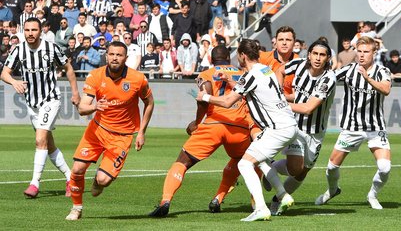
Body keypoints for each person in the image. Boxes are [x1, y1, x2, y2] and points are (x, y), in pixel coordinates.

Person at [196, 39, 298, 221]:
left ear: (243, 55)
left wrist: (206, 96)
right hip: (288, 124)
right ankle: (283, 195)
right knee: (260, 161)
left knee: (244, 164)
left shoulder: (251, 75)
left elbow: (228, 102)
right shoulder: (266, 70)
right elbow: (253, 89)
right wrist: (230, 81)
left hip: (277, 129)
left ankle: (260, 208)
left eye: (238, 55)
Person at [149, 45, 253, 217]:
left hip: (214, 124)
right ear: (230, 57)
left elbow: (203, 101)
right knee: (242, 160)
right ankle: (219, 198)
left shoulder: (206, 74)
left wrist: (197, 123)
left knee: (182, 161)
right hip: (240, 127)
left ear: (211, 59)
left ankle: (165, 200)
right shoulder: (244, 74)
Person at [65, 41, 155, 220]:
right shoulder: (95, 76)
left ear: (126, 58)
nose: (115, 58)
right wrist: (95, 106)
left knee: (103, 180)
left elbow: (149, 102)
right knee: (76, 169)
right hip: (97, 131)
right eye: (112, 54)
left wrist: (142, 132)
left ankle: (98, 181)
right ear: (106, 56)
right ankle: (76, 208)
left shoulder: (137, 79)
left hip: (121, 137)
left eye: (119, 55)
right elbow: (83, 108)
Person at [0, 17, 80, 198]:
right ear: (23, 31)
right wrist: (14, 81)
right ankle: (71, 178)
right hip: (32, 104)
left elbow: (68, 68)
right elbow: (4, 73)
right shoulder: (19, 50)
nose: (30, 33)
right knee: (48, 145)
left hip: (50, 100)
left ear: (40, 31)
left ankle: (34, 184)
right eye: (27, 30)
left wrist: (75, 93)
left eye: (34, 30)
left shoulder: (51, 48)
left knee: (39, 139)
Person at [315, 36, 392, 210]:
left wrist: (368, 78)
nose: (362, 55)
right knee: (331, 168)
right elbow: (329, 79)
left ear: (374, 52)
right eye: (360, 51)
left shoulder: (382, 71)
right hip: (351, 128)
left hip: (375, 128)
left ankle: (372, 195)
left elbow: (386, 89)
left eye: (366, 51)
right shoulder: (349, 69)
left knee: (385, 167)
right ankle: (333, 190)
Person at [267, 40, 336, 216]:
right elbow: (280, 70)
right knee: (295, 168)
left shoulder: (328, 79)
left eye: (322, 55)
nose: (318, 58)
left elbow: (308, 108)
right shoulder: (298, 64)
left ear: (328, 58)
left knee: (303, 172)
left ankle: (271, 169)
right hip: (295, 126)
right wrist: (278, 92)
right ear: (309, 54)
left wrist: (279, 103)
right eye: (315, 54)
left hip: (316, 132)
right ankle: (279, 198)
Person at [259, 26, 299, 96]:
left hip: (288, 104)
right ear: (276, 42)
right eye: (280, 40)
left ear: (294, 42)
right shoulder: (262, 58)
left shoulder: (299, 63)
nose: (284, 43)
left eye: (288, 40)